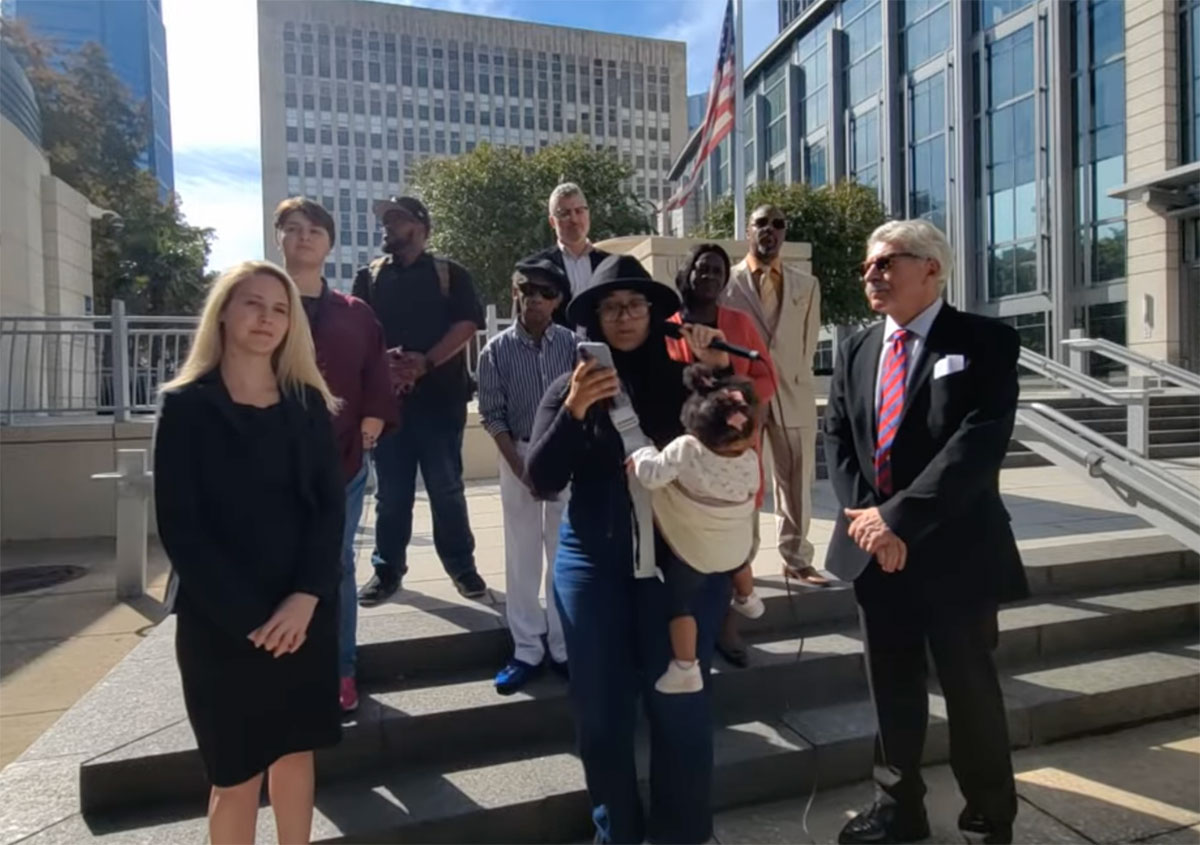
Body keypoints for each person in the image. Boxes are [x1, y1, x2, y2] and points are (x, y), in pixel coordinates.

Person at [823, 220, 1027, 845]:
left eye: (886, 262)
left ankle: (988, 812)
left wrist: (898, 518)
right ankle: (897, 808)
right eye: (867, 265)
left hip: (956, 551)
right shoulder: (856, 349)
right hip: (875, 553)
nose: (872, 274)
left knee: (970, 689)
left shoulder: (985, 341)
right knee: (891, 687)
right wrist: (871, 522)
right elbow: (838, 438)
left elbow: (978, 442)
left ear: (932, 268)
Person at [526, 253, 733, 844]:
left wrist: (719, 372)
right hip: (593, 561)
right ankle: (616, 831)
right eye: (610, 308)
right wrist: (574, 411)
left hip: (679, 564)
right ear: (593, 320)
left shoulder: (688, 376)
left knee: (681, 709)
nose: (623, 316)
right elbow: (541, 478)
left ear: (653, 313)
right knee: (600, 712)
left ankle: (682, 834)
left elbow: (734, 446)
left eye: (635, 305)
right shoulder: (570, 384)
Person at [154, 261, 344, 845]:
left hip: (303, 615)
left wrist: (305, 598)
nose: (267, 318)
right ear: (223, 314)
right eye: (253, 304)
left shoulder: (308, 404)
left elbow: (329, 510)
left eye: (280, 309)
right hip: (222, 624)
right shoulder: (185, 407)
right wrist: (255, 621)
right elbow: (182, 529)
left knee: (295, 757)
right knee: (234, 775)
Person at [273, 197, 398, 714]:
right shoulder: (260, 303)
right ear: (279, 237)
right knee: (275, 563)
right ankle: (278, 665)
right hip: (269, 463)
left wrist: (375, 417)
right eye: (293, 228)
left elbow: (376, 372)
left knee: (336, 563)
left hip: (340, 460)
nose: (304, 237)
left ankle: (340, 666)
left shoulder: (355, 312)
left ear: (329, 243)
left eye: (315, 230)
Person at [352, 196, 488, 605]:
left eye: (397, 219)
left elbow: (467, 324)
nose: (387, 226)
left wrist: (425, 363)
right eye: (385, 220)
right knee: (391, 494)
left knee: (446, 489)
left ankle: (462, 567)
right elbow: (358, 333)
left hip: (442, 404)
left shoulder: (450, 274)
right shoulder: (368, 278)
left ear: (422, 227)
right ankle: (387, 570)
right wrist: (386, 364)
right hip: (388, 406)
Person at [665, 242, 778, 668]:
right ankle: (687, 635)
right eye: (702, 268)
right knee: (687, 554)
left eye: (717, 270)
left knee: (736, 549)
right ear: (688, 274)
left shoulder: (739, 324)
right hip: (689, 463)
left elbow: (767, 379)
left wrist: (731, 383)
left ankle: (728, 626)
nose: (709, 276)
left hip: (733, 456)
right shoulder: (669, 326)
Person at [628, 365, 766, 695]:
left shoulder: (687, 448)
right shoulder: (749, 458)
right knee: (736, 550)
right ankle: (747, 596)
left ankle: (686, 667)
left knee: (680, 606)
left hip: (693, 552)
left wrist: (642, 452)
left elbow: (651, 475)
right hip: (735, 550)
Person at [477, 258, 576, 694]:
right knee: (522, 555)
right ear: (515, 293)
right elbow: (492, 415)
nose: (535, 298)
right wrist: (523, 470)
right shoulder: (495, 351)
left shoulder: (573, 346)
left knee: (562, 551)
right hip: (517, 451)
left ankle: (563, 646)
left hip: (563, 453)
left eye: (545, 292)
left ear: (557, 300)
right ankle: (527, 649)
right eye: (527, 289)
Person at [725, 205, 827, 587]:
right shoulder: (727, 282)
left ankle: (797, 559)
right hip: (746, 395)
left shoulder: (806, 285)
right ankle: (741, 562)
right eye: (761, 223)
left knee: (797, 482)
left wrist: (796, 377)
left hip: (792, 394)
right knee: (744, 480)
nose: (769, 230)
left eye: (778, 224)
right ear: (748, 230)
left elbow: (808, 339)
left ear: (784, 233)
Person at [521, 182, 610, 325]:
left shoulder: (610, 265)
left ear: (588, 214)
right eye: (564, 214)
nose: (574, 219)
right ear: (552, 221)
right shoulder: (536, 270)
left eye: (579, 211)